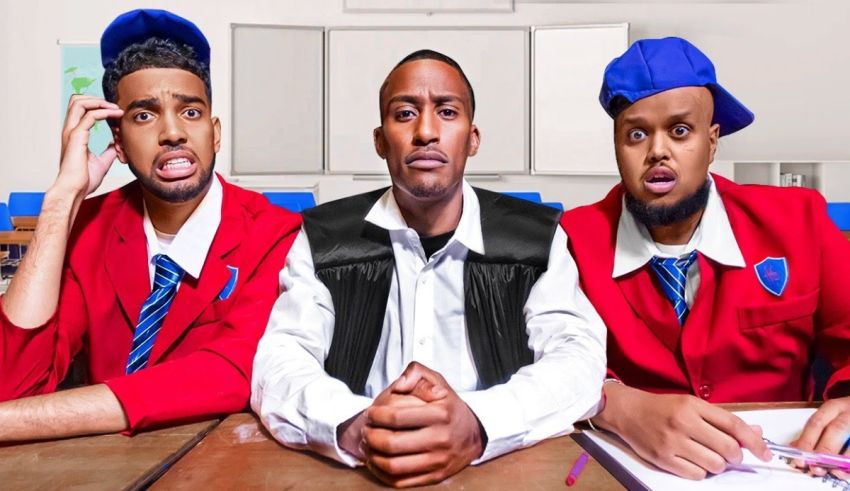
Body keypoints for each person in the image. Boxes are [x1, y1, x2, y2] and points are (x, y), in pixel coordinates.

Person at [251, 49, 606, 487]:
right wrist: (352, 424)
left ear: (472, 138)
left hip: (501, 473)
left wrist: (479, 424)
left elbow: (579, 358)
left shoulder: (535, 238)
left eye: (446, 111)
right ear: (380, 140)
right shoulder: (325, 238)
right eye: (405, 113)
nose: (425, 131)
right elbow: (281, 359)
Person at [0, 9, 301, 440]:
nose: (173, 133)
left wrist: (11, 422)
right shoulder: (89, 226)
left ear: (215, 133)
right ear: (117, 144)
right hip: (102, 467)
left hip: (220, 463)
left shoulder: (274, 233)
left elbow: (234, 371)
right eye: (144, 116)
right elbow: (12, 382)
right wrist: (61, 201)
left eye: (191, 112)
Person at [561, 36, 850, 480]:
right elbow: (539, 365)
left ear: (712, 141)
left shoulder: (799, 221)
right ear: (617, 146)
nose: (658, 151)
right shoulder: (573, 241)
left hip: (785, 469)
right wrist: (611, 403)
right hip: (628, 473)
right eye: (636, 134)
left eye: (680, 131)